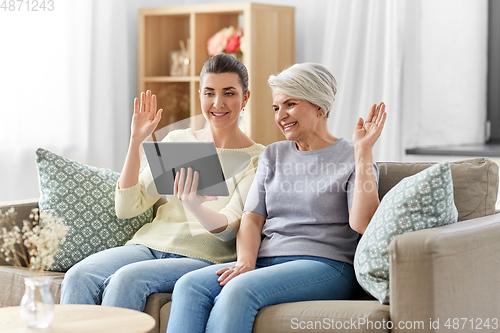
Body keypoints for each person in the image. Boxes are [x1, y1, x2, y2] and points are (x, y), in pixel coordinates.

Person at [166, 63, 387, 333]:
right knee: (189, 285)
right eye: (275, 108)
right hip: (266, 259)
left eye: (290, 104)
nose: (280, 115)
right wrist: (245, 261)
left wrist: (363, 152)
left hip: (325, 264)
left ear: (320, 106)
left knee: (239, 290)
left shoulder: (352, 158)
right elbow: (252, 218)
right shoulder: (273, 154)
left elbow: (363, 224)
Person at [60, 54, 265, 311]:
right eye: (209, 93)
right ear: (200, 95)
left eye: (229, 93)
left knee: (127, 279)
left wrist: (195, 206)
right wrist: (136, 142)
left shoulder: (257, 158)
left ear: (245, 98)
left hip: (203, 257)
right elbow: (128, 208)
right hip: (148, 245)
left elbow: (231, 227)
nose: (218, 103)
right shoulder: (178, 140)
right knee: (78, 276)